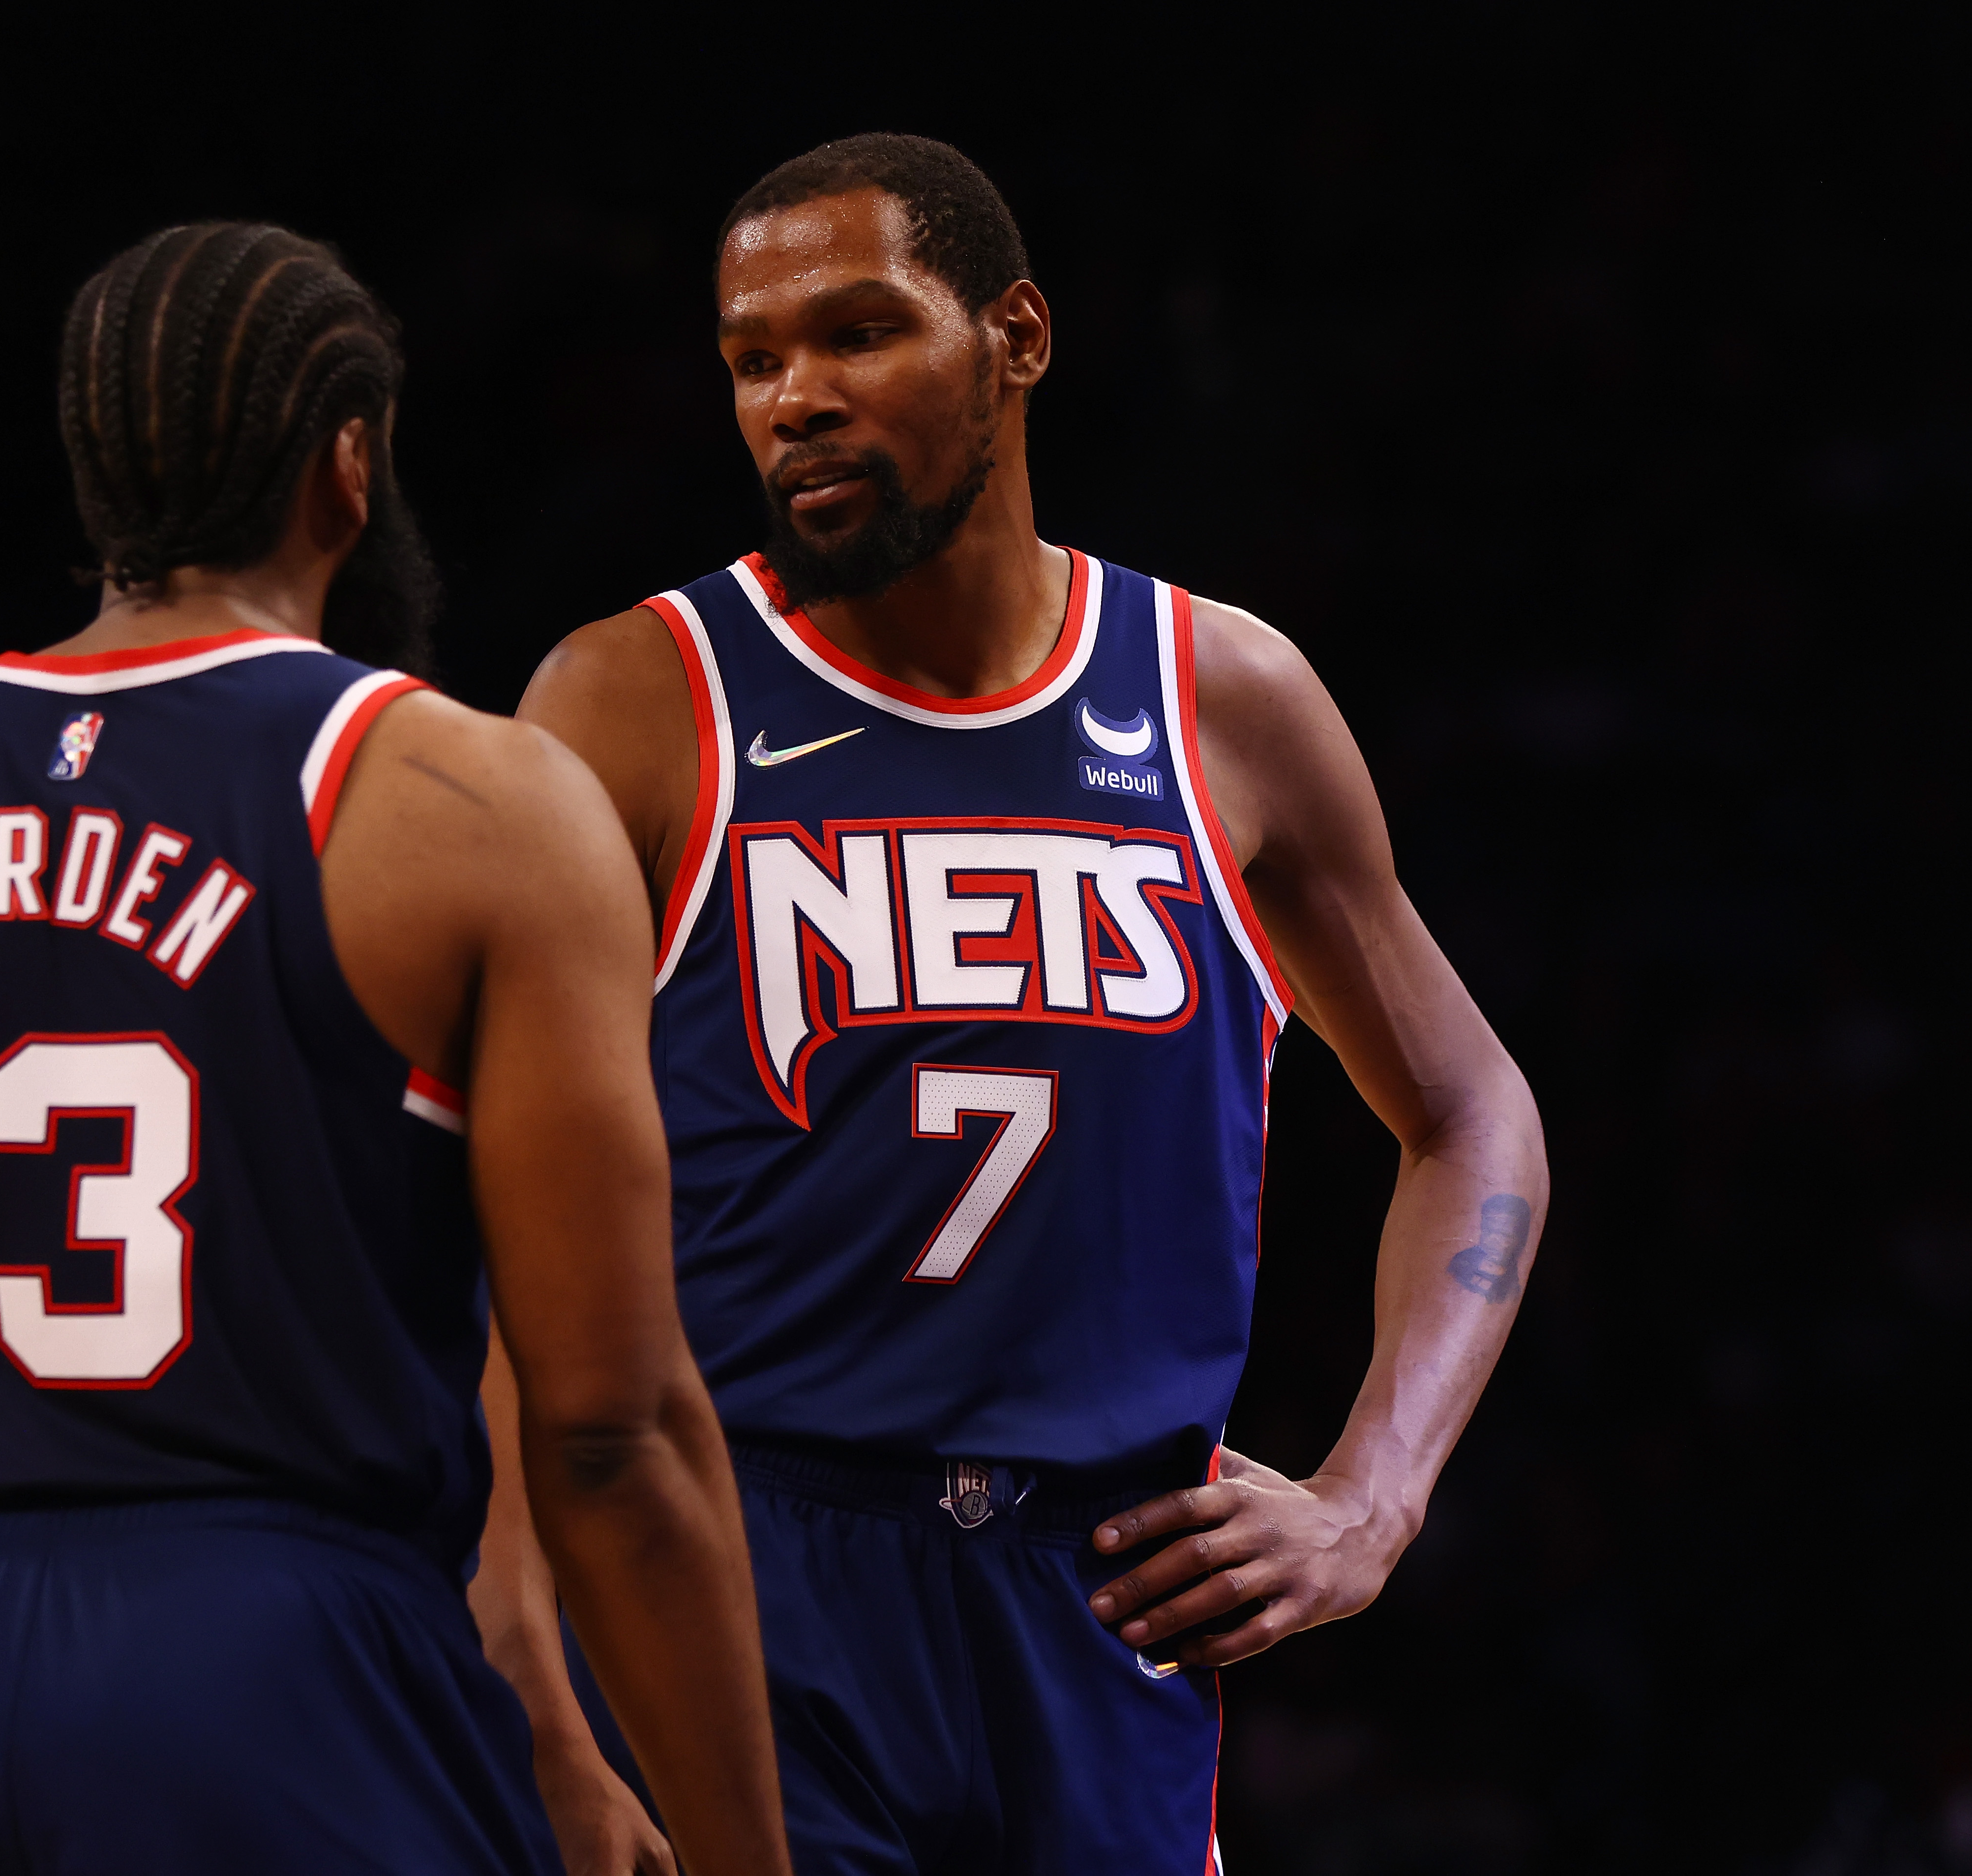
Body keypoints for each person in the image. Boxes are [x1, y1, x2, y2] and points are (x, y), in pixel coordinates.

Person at [0, 222, 788, 1876]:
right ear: (350, 466)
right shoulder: (462, 803)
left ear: (96, 481)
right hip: (282, 1674)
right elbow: (609, 1431)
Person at [475, 136, 1550, 1876]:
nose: (797, 399)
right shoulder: (631, 702)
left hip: (1107, 1594)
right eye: (755, 361)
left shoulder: (1222, 698)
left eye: (858, 334)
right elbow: (484, 1225)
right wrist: (529, 1689)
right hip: (750, 1579)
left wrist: (1376, 1492)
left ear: (1018, 336)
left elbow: (1473, 1110)